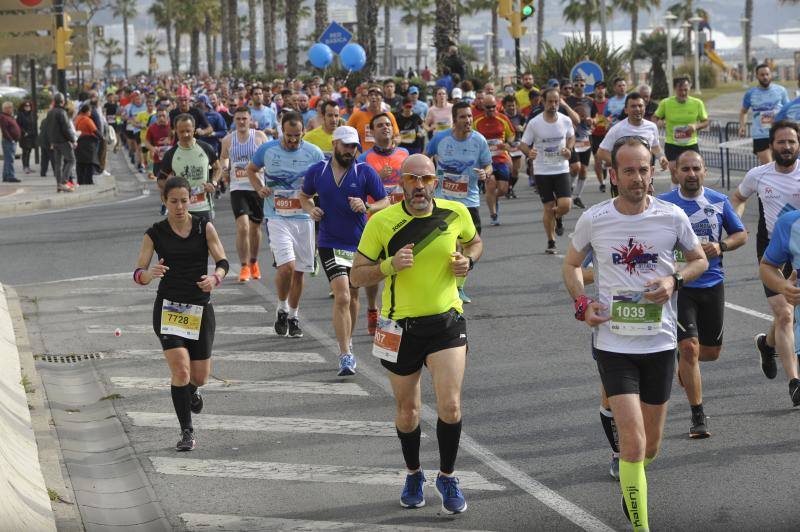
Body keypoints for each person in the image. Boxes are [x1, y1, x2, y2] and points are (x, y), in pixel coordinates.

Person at [563, 136, 708, 532]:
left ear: (654, 170)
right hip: (613, 344)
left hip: (660, 344)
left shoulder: (672, 217)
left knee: (651, 448)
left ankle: (633, 483)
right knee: (632, 444)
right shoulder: (595, 218)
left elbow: (697, 260)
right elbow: (572, 265)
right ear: (614, 174)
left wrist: (674, 280)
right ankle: (640, 525)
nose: (637, 177)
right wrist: (581, 303)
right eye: (629, 170)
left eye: (644, 169)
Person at [350, 153, 483, 514]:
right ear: (401, 184)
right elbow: (356, 276)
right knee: (408, 411)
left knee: (451, 405)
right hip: (400, 328)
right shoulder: (382, 222)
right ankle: (413, 473)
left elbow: (474, 242)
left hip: (446, 322)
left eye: (426, 179)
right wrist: (390, 266)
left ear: (435, 182)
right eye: (412, 179)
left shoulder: (455, 213)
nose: (420, 186)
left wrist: (467, 260)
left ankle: (448, 475)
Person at [133, 176, 229, 451]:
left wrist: (215, 278)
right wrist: (148, 275)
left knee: (199, 377)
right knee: (181, 370)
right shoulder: (155, 233)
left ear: (191, 200)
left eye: (184, 201)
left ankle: (193, 390)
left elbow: (222, 261)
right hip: (169, 308)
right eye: (173, 201)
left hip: (200, 307)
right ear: (165, 201)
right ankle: (187, 432)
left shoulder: (203, 227)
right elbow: (138, 272)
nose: (179, 206)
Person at [658, 151, 747, 437]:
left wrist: (722, 246)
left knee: (710, 352)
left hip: (712, 283)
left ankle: (683, 362)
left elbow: (741, 234)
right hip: (681, 286)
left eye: (696, 168)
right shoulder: (664, 205)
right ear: (676, 173)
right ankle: (698, 416)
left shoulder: (718, 201)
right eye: (685, 169)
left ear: (704, 171)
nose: (691, 173)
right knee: (690, 348)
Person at [301, 126, 390, 375]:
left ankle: (347, 339)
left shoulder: (364, 171)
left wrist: (368, 207)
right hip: (329, 242)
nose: (350, 151)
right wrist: (310, 209)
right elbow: (304, 194)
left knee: (353, 295)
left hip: (359, 243)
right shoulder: (318, 170)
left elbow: (384, 200)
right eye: (346, 145)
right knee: (341, 295)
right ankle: (345, 354)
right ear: (335, 144)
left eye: (354, 146)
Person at [731, 120, 800, 403]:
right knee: (785, 314)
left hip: (798, 248)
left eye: (792, 142)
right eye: (781, 142)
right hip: (771, 249)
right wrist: (736, 222)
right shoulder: (758, 175)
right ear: (771, 145)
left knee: (784, 313)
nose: (786, 147)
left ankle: (766, 344)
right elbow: (737, 197)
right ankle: (795, 383)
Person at [246, 111, 325, 338]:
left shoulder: (313, 152)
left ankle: (293, 316)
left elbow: (323, 179)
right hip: (277, 216)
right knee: (287, 267)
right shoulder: (268, 150)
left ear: (303, 132)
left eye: (297, 135)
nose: (293, 140)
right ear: (282, 130)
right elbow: (252, 170)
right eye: (289, 135)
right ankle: (281, 307)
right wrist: (259, 187)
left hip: (304, 218)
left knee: (299, 272)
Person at [426, 101, 492, 303]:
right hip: (443, 199)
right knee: (448, 244)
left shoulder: (479, 140)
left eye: (470, 116)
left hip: (468, 201)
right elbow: (425, 159)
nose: (468, 120)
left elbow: (488, 165)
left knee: (471, 245)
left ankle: (459, 287)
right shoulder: (440, 139)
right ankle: (445, 285)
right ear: (455, 120)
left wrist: (484, 173)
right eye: (463, 116)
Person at [359, 114, 411, 336]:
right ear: (372, 131)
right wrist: (377, 177)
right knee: (377, 270)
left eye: (388, 124)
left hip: (403, 221)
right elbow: (358, 189)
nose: (385, 128)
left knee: (402, 269)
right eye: (380, 125)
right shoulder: (364, 158)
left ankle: (396, 317)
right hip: (376, 223)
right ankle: (372, 308)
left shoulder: (404, 154)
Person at [520, 88, 575, 254]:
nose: (553, 105)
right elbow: (523, 143)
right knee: (549, 207)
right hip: (542, 170)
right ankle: (551, 241)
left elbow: (571, 137)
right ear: (543, 102)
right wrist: (529, 152)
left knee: (565, 205)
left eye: (556, 101)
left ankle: (558, 217)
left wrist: (569, 149)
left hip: (561, 168)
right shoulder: (535, 123)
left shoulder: (565, 120)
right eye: (550, 101)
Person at [219, 106, 269, 282]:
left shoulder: (260, 137)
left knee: (255, 228)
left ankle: (254, 262)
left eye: (244, 119)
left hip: (257, 187)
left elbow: (269, 158)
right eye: (238, 119)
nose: (241, 122)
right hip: (238, 188)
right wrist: (225, 168)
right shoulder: (228, 140)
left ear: (250, 120)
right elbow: (223, 157)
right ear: (234, 120)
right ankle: (244, 266)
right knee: (243, 227)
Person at [597, 92, 669, 195]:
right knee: (624, 207)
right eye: (633, 106)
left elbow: (655, 146)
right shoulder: (617, 129)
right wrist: (619, 164)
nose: (637, 109)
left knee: (645, 204)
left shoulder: (652, 127)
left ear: (645, 108)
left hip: (644, 174)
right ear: (626, 110)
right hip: (624, 177)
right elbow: (601, 152)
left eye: (640, 106)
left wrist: (661, 157)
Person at [158, 114, 222, 224]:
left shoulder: (205, 148)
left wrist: (213, 183)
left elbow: (218, 168)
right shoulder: (171, 154)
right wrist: (174, 192)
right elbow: (161, 180)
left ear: (194, 129)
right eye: (181, 131)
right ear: (176, 131)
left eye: (188, 130)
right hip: (181, 210)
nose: (185, 134)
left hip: (203, 206)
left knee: (206, 240)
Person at [654, 76, 709, 184]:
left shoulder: (697, 103)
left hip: (691, 144)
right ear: (675, 89)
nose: (683, 93)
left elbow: (706, 121)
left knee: (694, 176)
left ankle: (690, 198)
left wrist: (696, 126)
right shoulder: (666, 103)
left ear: (689, 88)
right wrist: (659, 122)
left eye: (686, 90)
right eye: (680, 90)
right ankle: (675, 200)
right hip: (672, 144)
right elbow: (655, 118)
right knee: (676, 177)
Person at [473, 94, 515, 225]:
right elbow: (471, 137)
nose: (491, 109)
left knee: (503, 189)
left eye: (493, 107)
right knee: (490, 185)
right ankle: (493, 215)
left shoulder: (503, 118)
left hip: (501, 158)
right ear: (482, 107)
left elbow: (512, 135)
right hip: (485, 161)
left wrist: (507, 143)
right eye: (488, 107)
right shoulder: (477, 121)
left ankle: (493, 199)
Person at [739, 63, 789, 165]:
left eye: (767, 74)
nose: (765, 77)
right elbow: (743, 111)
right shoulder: (751, 93)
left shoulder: (781, 90)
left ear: (771, 75)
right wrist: (742, 126)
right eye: (762, 75)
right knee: (768, 166)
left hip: (778, 134)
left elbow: (788, 110)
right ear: (757, 76)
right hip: (760, 135)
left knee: (781, 166)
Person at [566, 75, 594, 208]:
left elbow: (595, 116)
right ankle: (568, 188)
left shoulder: (589, 101)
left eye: (581, 85)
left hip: (585, 139)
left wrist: (592, 121)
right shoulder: (567, 101)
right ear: (573, 86)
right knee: (575, 167)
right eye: (576, 84)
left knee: (583, 170)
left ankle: (577, 196)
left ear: (585, 86)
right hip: (572, 138)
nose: (579, 87)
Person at [347, 85, 400, 151]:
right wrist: (356, 150)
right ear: (368, 98)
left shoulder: (388, 115)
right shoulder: (358, 115)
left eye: (377, 95)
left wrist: (392, 145)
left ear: (382, 98)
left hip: (384, 155)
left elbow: (397, 136)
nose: (373, 97)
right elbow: (347, 134)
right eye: (371, 95)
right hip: (364, 157)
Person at [46, 93, 76, 193]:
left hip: (54, 141)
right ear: (62, 102)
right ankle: (63, 182)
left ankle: (59, 184)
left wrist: (51, 141)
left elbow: (48, 128)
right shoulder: (62, 112)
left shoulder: (50, 112)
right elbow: (66, 128)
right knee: (71, 160)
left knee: (58, 164)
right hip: (63, 141)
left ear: (54, 101)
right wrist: (73, 140)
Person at [501, 94, 525, 199]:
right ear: (504, 107)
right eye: (509, 106)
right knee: (508, 170)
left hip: (517, 147)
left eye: (513, 105)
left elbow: (527, 130)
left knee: (516, 171)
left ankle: (509, 188)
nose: (512, 108)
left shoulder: (521, 116)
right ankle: (506, 188)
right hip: (505, 147)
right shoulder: (502, 117)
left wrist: (522, 129)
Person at [590, 80, 610, 193]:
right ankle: (602, 183)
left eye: (602, 88)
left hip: (608, 135)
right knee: (597, 160)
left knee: (610, 160)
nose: (600, 90)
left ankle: (605, 167)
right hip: (595, 135)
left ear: (605, 90)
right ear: (594, 90)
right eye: (598, 88)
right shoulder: (591, 103)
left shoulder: (610, 103)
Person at [74, 103, 100, 185]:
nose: (90, 113)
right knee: (89, 162)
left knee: (80, 162)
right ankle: (88, 180)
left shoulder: (77, 118)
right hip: (88, 142)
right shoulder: (87, 120)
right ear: (87, 111)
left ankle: (80, 180)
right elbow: (95, 130)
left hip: (79, 141)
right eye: (90, 111)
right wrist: (102, 138)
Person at [0, 101, 21, 182]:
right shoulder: (3, 117)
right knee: (10, 159)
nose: (12, 109)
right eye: (10, 107)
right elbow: (4, 130)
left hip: (11, 141)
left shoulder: (9, 116)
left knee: (8, 159)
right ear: (6, 108)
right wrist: (11, 139)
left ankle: (6, 176)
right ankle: (10, 176)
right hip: (8, 141)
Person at [15, 100, 37, 175]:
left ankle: (28, 166)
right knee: (25, 152)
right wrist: (24, 132)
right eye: (26, 106)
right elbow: (18, 125)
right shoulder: (20, 114)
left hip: (31, 136)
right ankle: (25, 167)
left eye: (29, 106)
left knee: (29, 151)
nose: (27, 107)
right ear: (23, 107)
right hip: (24, 136)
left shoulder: (32, 114)